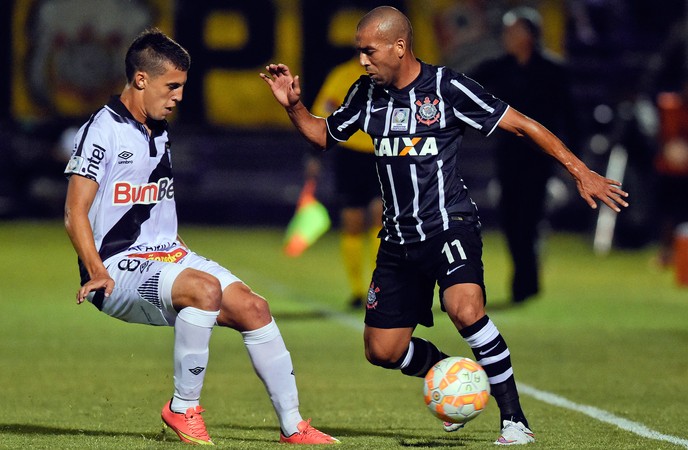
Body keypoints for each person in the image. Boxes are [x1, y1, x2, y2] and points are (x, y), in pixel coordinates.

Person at [261, 6, 628, 446]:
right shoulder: (366, 93)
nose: (362, 61)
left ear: (399, 47)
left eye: (368, 51)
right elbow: (324, 135)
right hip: (397, 240)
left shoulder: (445, 87)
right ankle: (460, 375)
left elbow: (522, 125)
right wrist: (294, 105)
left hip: (448, 225)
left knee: (465, 309)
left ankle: (515, 421)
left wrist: (579, 170)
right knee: (382, 351)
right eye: (359, 52)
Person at [63, 28, 338, 446]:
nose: (178, 96)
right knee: (204, 290)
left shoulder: (157, 126)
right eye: (171, 86)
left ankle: (293, 426)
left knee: (255, 308)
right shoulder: (103, 130)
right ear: (141, 80)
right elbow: (74, 211)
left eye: (182, 87)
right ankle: (182, 408)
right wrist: (97, 270)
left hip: (168, 255)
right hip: (115, 267)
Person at [467, 7, 578, 303]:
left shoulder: (553, 70)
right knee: (511, 218)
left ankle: (525, 284)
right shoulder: (500, 67)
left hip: (539, 159)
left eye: (514, 31)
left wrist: (573, 161)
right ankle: (525, 277)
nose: (508, 37)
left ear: (530, 35)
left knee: (529, 218)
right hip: (508, 156)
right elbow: (466, 85)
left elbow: (570, 116)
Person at [310, 57, 383, 308]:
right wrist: (314, 153)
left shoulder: (393, 74)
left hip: (384, 153)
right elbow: (322, 113)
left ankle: (379, 287)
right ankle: (356, 291)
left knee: (380, 217)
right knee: (353, 222)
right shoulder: (342, 75)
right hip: (351, 156)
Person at [655, 73, 688, 266]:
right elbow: (669, 143)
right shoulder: (670, 106)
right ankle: (666, 253)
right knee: (668, 216)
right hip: (671, 171)